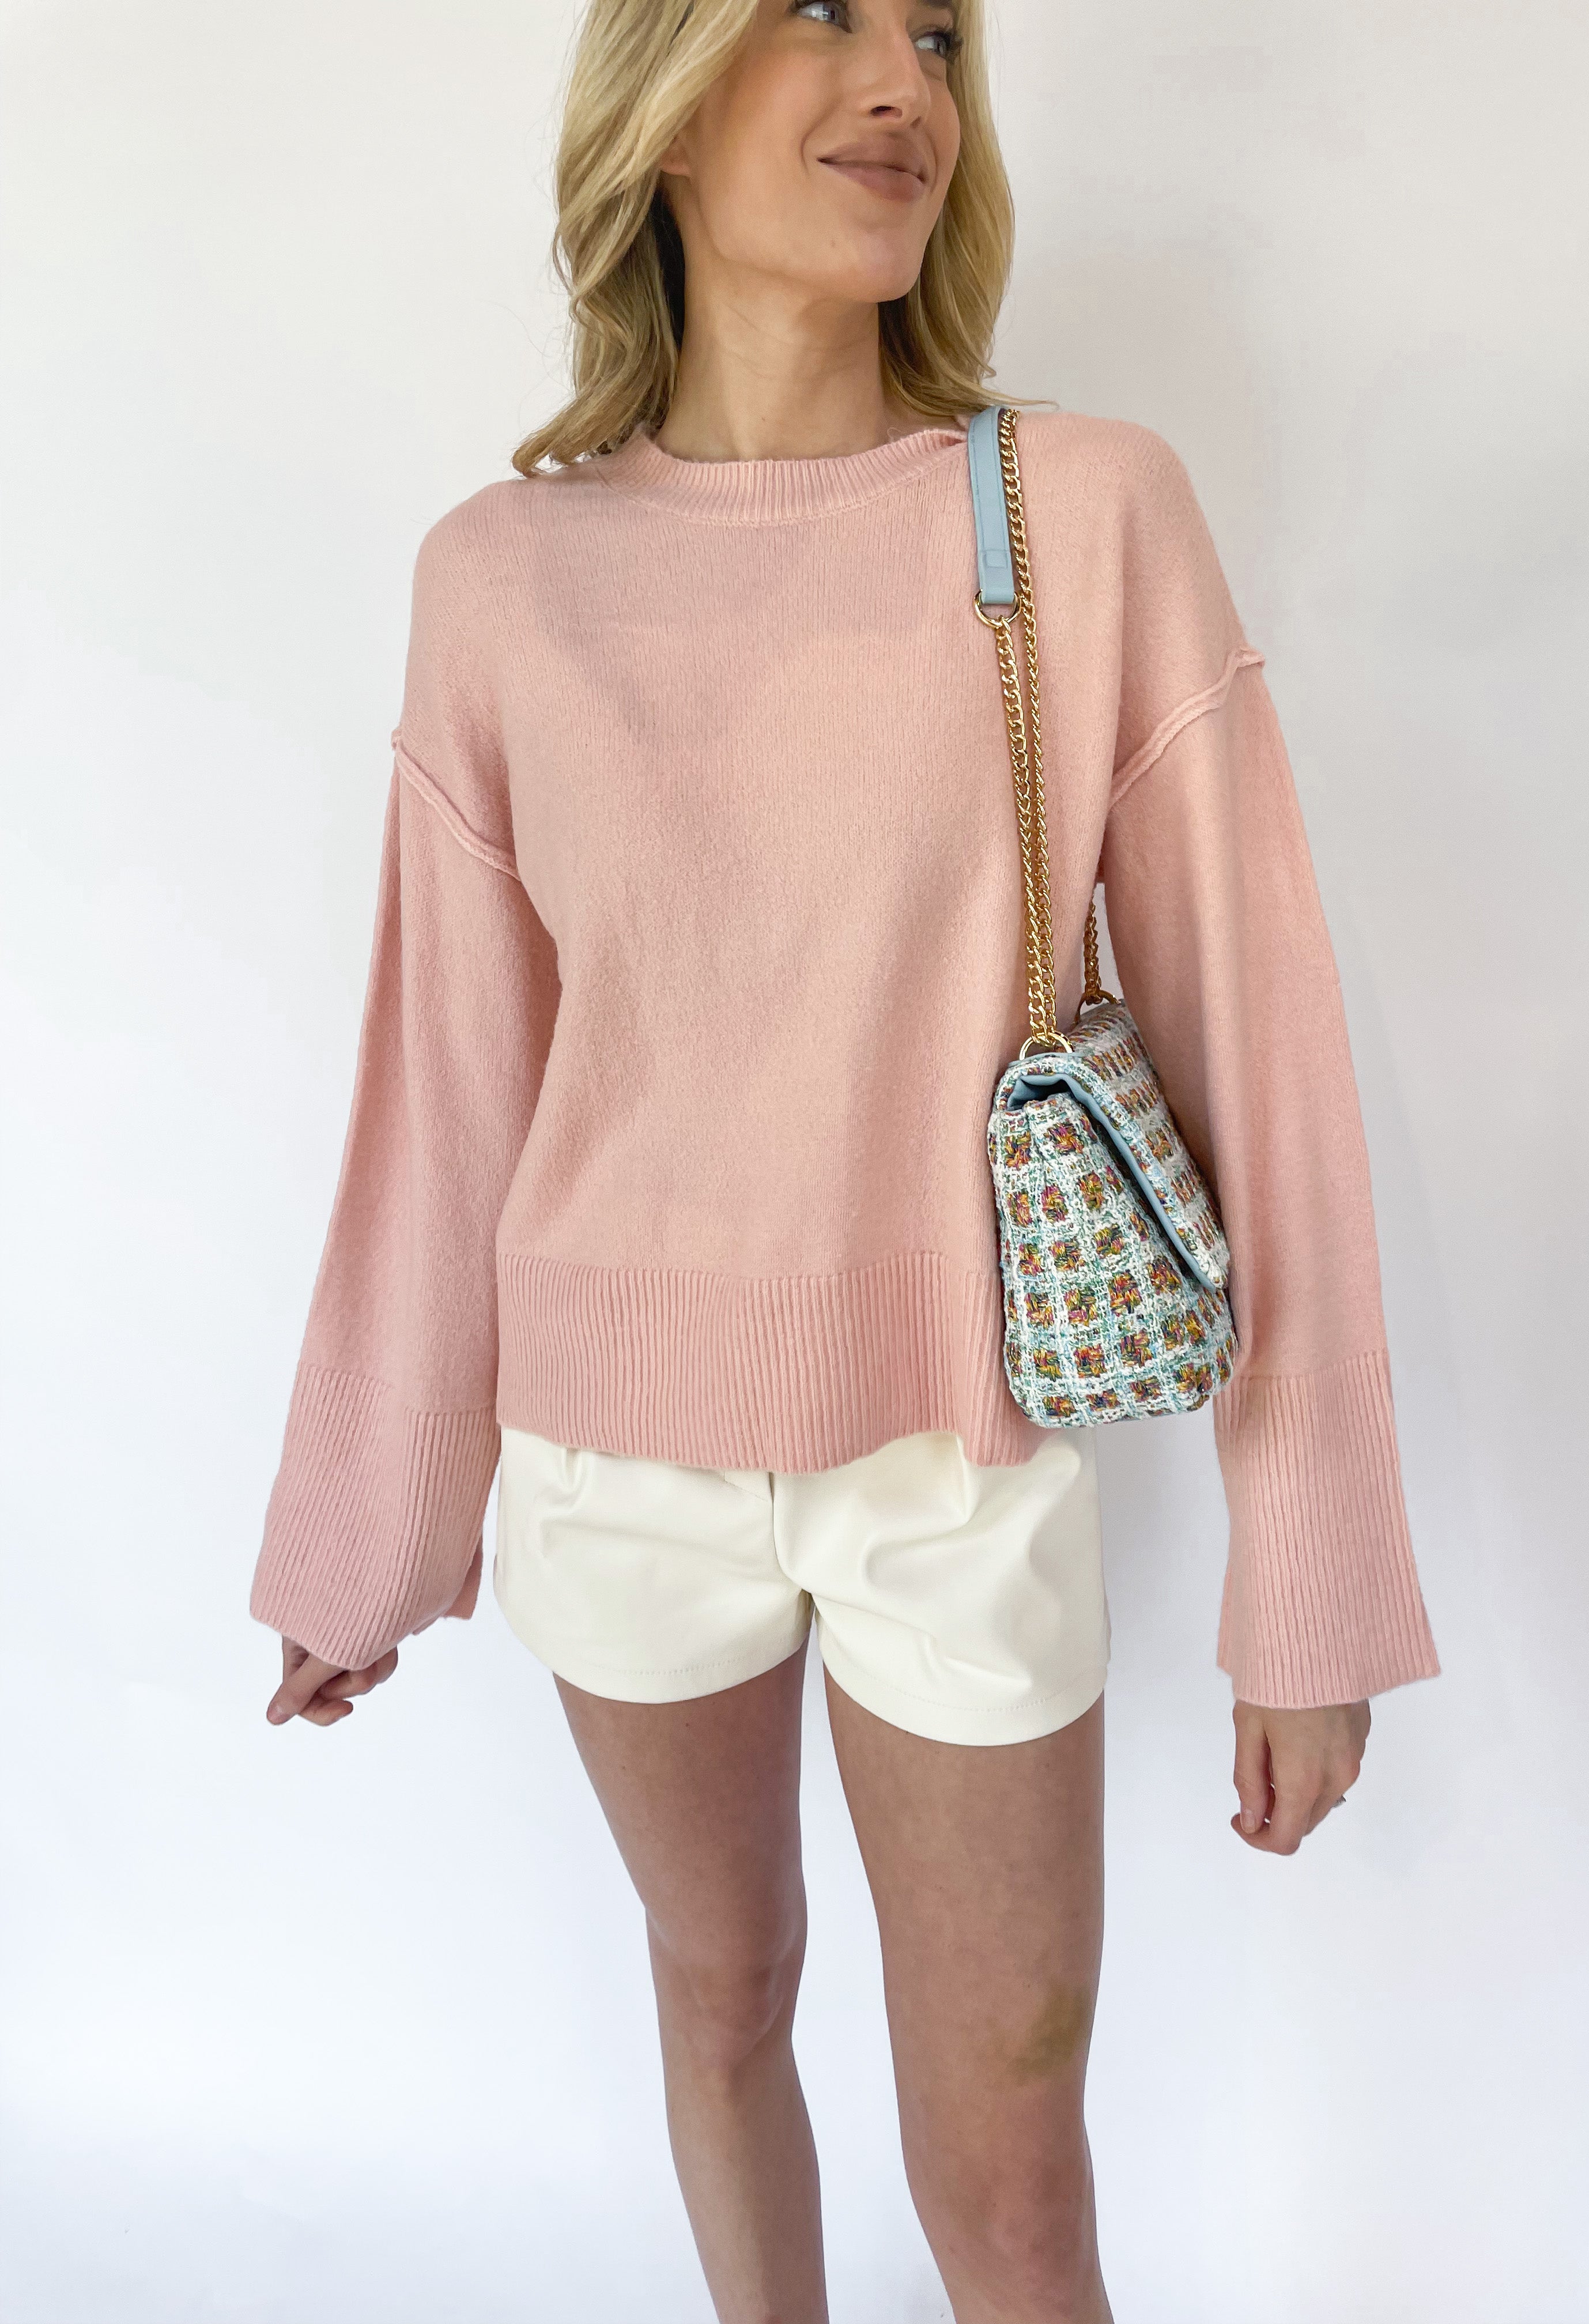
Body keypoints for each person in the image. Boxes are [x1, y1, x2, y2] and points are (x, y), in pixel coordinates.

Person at [249, 1, 1440, 2314]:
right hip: (615, 1463)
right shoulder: (500, 578)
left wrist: (1312, 1580)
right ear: (661, 102)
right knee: (723, 2009)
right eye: (821, 11)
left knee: (1015, 2184)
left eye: (939, 35)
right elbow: (449, 1096)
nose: (905, 80)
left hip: (956, 1463)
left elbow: (1265, 1061)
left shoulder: (1082, 515)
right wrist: (363, 1531)